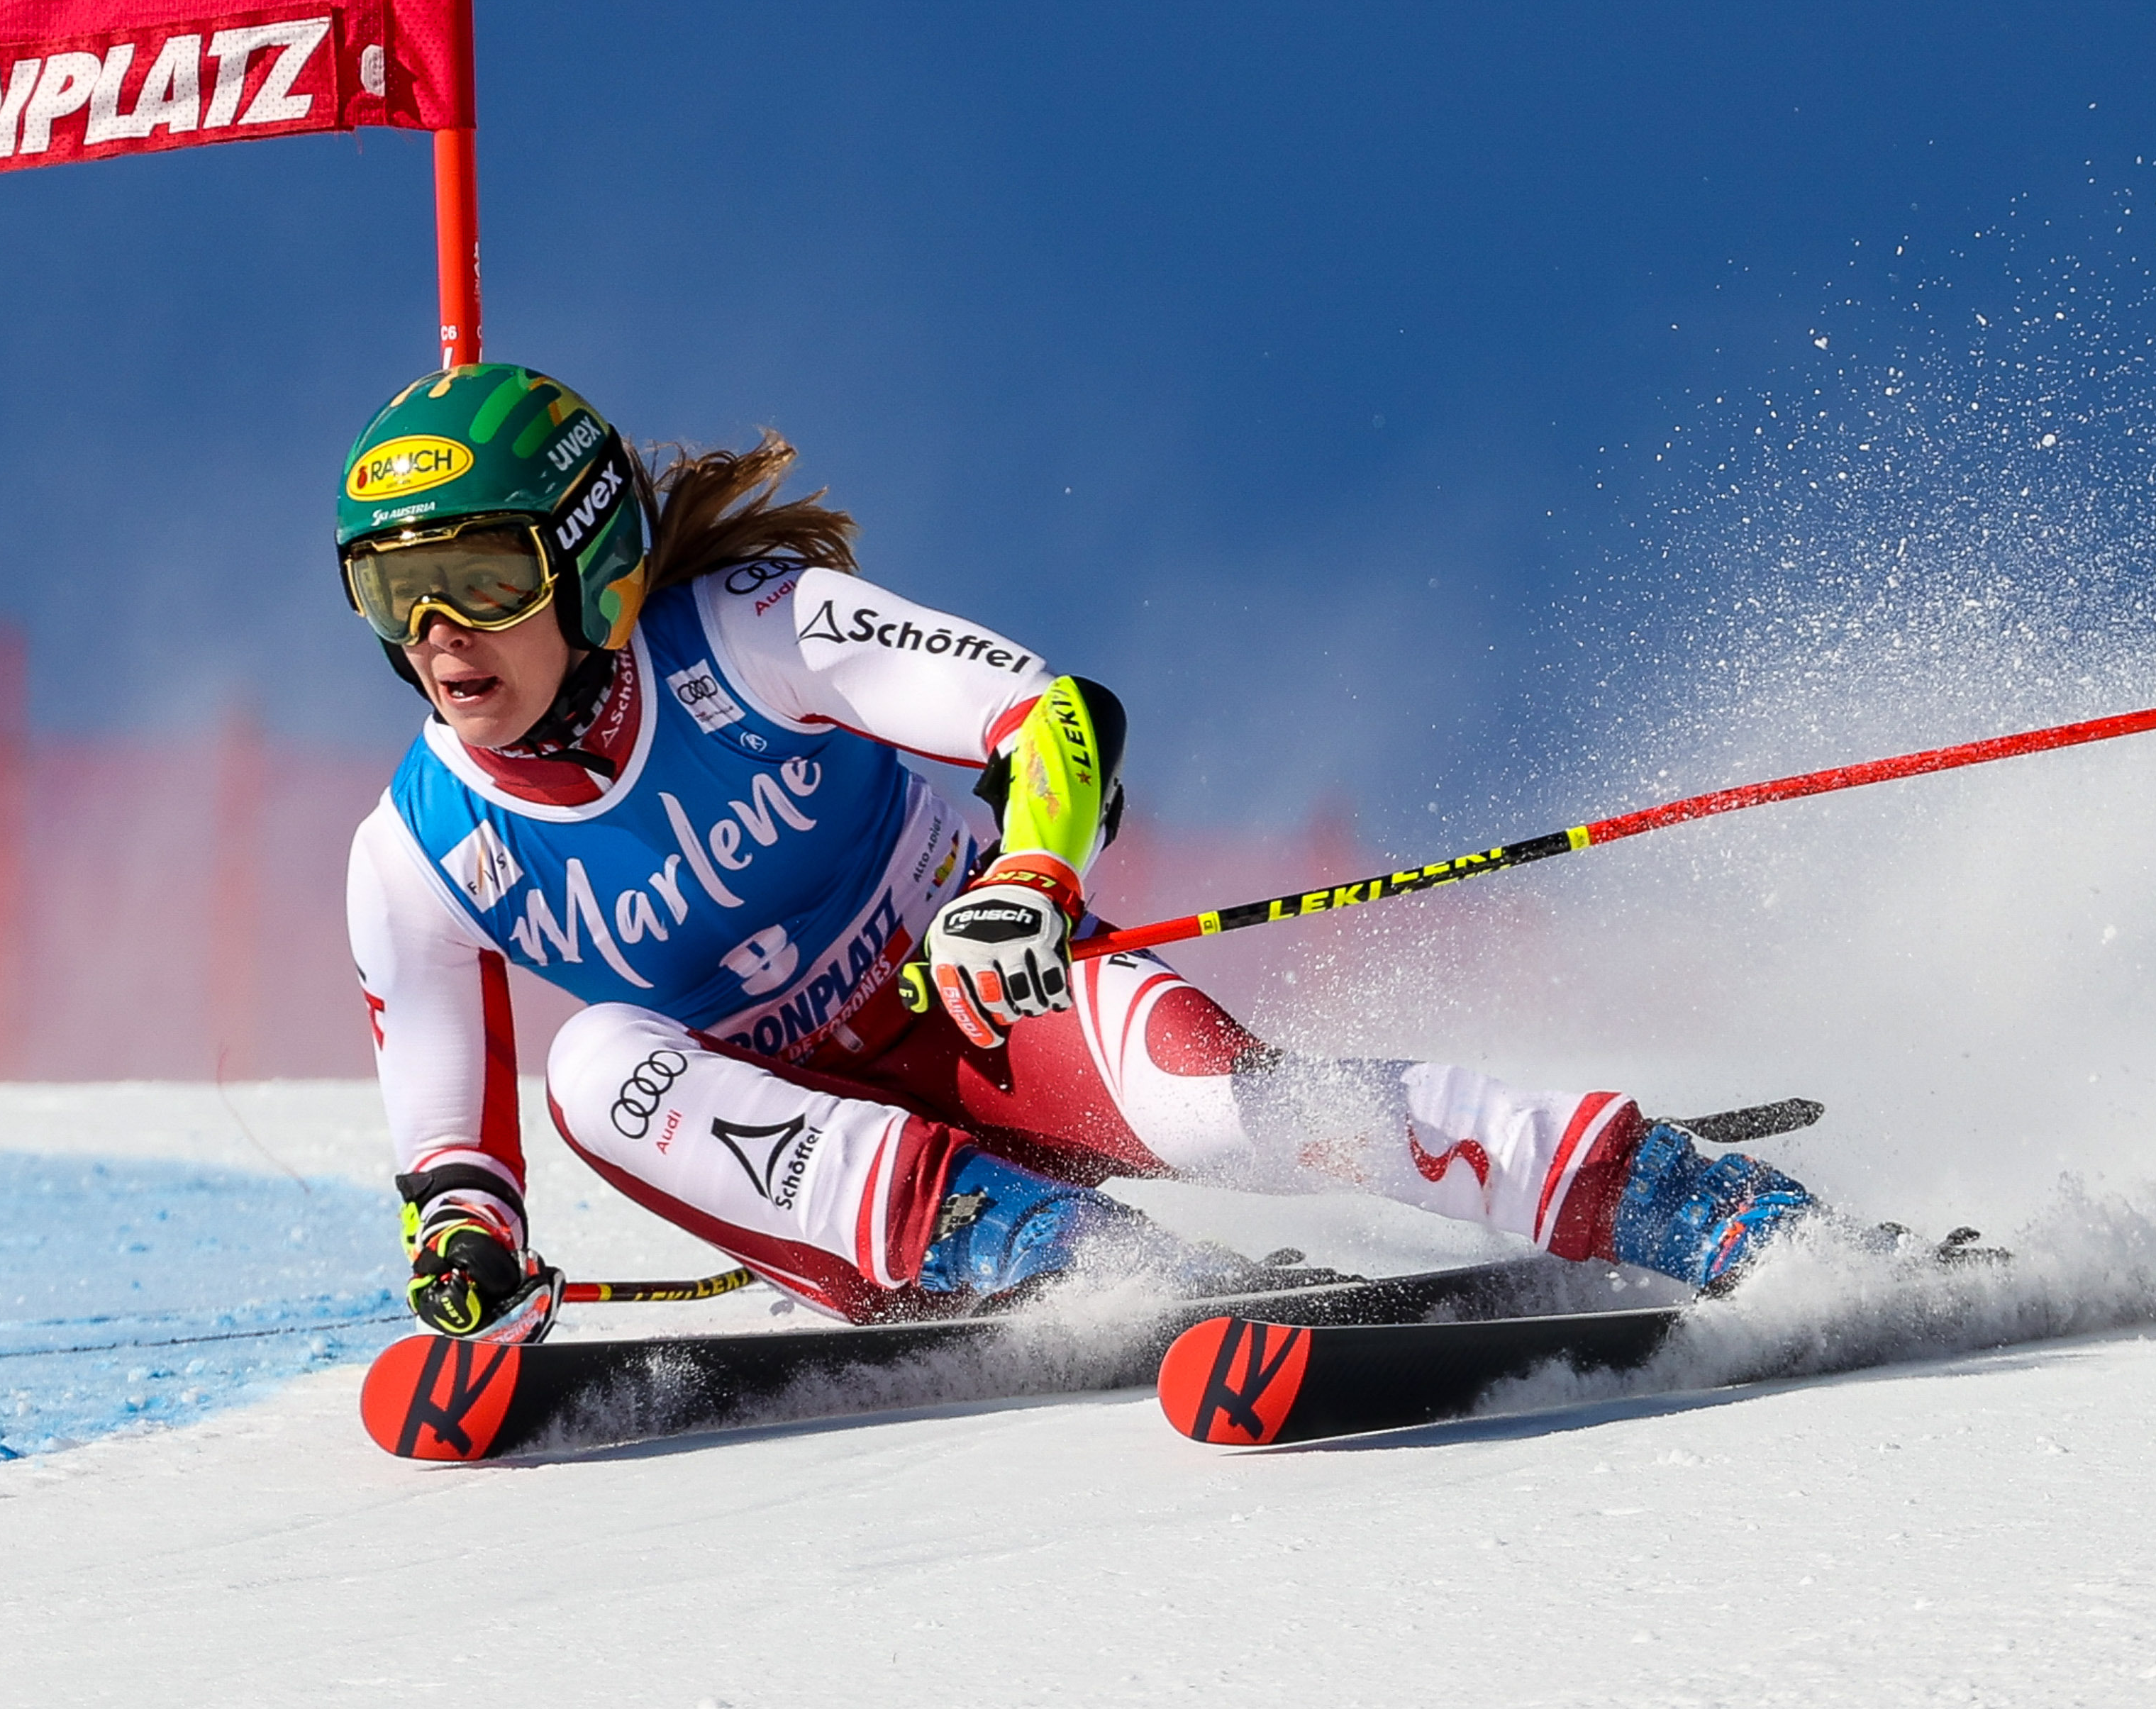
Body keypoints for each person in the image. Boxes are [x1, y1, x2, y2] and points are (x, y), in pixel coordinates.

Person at [342, 364, 1813, 1345]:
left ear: (588, 563)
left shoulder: (750, 627)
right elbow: (450, 1147)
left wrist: (1026, 876)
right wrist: (467, 1243)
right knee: (595, 1063)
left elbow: (1046, 716)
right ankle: (1064, 1261)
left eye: (478, 578)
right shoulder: (415, 851)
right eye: (393, 593)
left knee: (1231, 1115)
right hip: (833, 1178)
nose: (437, 635)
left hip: (981, 1007)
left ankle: (1696, 1204)